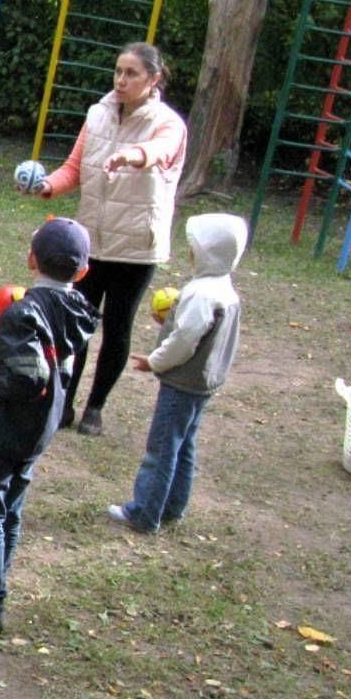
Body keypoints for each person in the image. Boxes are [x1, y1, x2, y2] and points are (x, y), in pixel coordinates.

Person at [0, 219, 98, 635]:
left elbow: (33, 375)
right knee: (10, 507)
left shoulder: (24, 313)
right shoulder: (79, 309)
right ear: (82, 272)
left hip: (5, 428)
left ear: (31, 259)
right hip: (37, 429)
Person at [36, 42, 186, 437]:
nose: (121, 80)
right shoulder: (97, 115)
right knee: (76, 325)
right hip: (90, 242)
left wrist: (133, 156)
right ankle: (64, 404)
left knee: (117, 328)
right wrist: (47, 185)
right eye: (118, 71)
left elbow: (161, 151)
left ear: (153, 79)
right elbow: (74, 168)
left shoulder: (168, 123)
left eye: (131, 73)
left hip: (137, 246)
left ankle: (95, 407)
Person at [107, 214, 247, 534]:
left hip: (183, 383)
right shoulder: (225, 288)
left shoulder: (201, 293)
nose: (190, 253)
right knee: (185, 444)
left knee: (163, 446)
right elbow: (196, 332)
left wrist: (154, 361)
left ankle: (144, 512)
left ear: (208, 252)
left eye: (194, 247)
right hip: (203, 384)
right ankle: (174, 505)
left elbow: (184, 342)